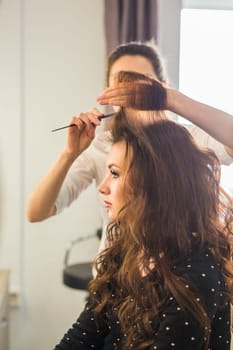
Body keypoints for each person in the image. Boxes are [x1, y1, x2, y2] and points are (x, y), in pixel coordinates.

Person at [26, 42, 233, 257]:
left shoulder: (187, 141)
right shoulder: (100, 146)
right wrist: (69, 154)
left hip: (173, 279)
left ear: (161, 86)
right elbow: (36, 212)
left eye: (140, 84)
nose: (129, 92)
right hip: (114, 277)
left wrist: (172, 99)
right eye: (120, 84)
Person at [53, 108, 233, 350]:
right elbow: (82, 337)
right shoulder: (126, 250)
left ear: (155, 184)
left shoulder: (193, 277)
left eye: (115, 174)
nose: (103, 187)